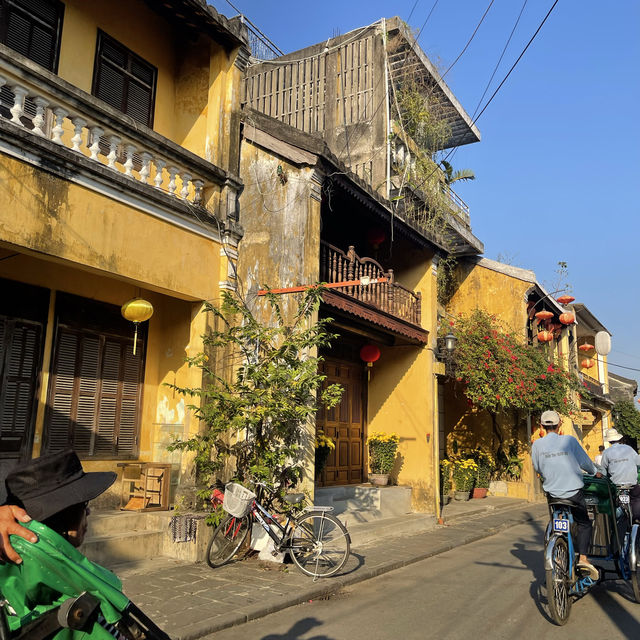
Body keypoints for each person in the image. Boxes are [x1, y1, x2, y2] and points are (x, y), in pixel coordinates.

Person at [0, 449, 170, 639]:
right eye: (84, 505)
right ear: (62, 516)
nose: (88, 513)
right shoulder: (81, 609)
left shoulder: (14, 583)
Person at [531, 410, 601, 580]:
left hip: (553, 494)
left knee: (557, 519)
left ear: (541, 426)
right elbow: (585, 463)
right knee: (584, 523)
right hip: (573, 493)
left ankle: (557, 544)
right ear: (559, 424)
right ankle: (583, 558)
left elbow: (537, 467)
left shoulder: (537, 445)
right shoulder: (569, 440)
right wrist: (594, 472)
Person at [599, 427, 640, 522]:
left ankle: (614, 519)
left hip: (616, 485)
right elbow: (638, 462)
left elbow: (603, 469)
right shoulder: (629, 449)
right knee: (637, 498)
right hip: (631, 484)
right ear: (618, 439)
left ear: (609, 441)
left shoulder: (606, 452)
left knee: (611, 502)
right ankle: (636, 519)